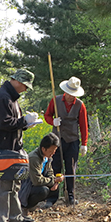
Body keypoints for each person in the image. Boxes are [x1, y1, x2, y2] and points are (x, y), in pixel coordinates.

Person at [0, 68, 39, 222]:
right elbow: (4, 123)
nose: (25, 89)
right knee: (3, 186)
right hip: (3, 147)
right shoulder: (3, 97)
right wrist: (23, 121)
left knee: (15, 183)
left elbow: (13, 123)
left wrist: (25, 124)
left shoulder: (11, 97)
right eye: (25, 86)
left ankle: (15, 216)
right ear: (17, 81)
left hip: (13, 146)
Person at [44, 76, 88, 206]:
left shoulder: (80, 105)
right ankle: (52, 197)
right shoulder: (55, 101)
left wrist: (84, 144)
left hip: (72, 140)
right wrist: (53, 121)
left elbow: (84, 125)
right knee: (55, 167)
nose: (71, 97)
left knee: (71, 169)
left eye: (73, 95)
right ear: (65, 92)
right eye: (69, 94)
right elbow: (47, 115)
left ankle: (71, 196)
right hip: (56, 140)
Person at [19, 133, 65, 216]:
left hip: (34, 184)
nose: (53, 153)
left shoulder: (47, 157)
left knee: (54, 188)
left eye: (54, 151)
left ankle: (32, 205)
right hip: (25, 187)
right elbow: (37, 181)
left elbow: (50, 172)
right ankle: (24, 207)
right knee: (43, 191)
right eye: (51, 151)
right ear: (44, 149)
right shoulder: (34, 158)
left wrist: (55, 182)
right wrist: (53, 180)